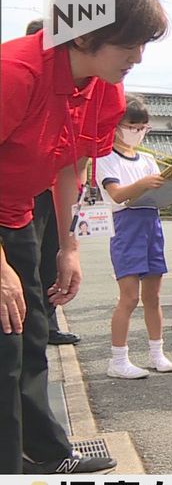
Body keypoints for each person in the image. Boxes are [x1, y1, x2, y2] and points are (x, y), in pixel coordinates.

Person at [1, 0, 167, 485]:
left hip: (17, 214)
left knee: (31, 331)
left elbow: (70, 163)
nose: (140, 55)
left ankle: (44, 458)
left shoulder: (104, 88)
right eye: (134, 41)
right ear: (91, 29)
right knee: (2, 343)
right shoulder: (14, 72)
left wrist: (67, 245)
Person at [95, 95, 172, 379]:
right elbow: (116, 193)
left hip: (151, 223)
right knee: (128, 298)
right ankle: (118, 359)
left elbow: (159, 195)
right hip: (125, 224)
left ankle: (157, 353)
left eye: (143, 127)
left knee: (153, 296)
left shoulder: (148, 159)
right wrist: (141, 185)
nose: (138, 132)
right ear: (116, 125)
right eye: (132, 125)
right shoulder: (105, 157)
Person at [22, 19, 78, 347]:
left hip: (50, 191)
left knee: (49, 259)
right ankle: (29, 327)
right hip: (18, 193)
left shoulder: (66, 92)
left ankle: (47, 325)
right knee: (26, 260)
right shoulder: (19, 81)